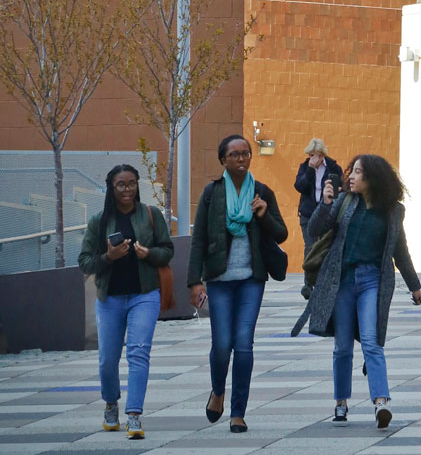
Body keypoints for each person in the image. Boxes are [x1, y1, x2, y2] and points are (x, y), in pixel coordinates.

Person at [291, 154, 421, 429]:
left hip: (372, 281)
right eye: (351, 171)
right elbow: (315, 229)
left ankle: (381, 402)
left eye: (357, 172)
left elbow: (400, 249)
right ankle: (341, 402)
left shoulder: (392, 211)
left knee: (372, 342)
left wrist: (414, 285)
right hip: (343, 281)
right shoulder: (344, 202)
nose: (350, 176)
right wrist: (325, 204)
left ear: (372, 178)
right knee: (342, 347)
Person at [187, 134, 288, 433]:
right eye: (234, 154)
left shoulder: (262, 192)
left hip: (250, 280)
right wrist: (194, 282)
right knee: (222, 345)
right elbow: (198, 241)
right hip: (219, 280)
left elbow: (281, 234)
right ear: (223, 160)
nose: (242, 158)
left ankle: (238, 412)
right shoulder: (211, 194)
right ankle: (218, 390)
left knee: (243, 345)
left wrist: (263, 215)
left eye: (245, 153)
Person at [78, 165, 174, 440]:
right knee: (108, 359)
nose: (127, 189)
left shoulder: (151, 215)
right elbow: (84, 262)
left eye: (132, 183)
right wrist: (109, 256)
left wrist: (149, 254)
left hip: (145, 295)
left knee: (138, 352)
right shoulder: (99, 220)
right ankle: (111, 403)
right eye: (121, 184)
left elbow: (167, 251)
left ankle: (134, 415)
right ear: (111, 187)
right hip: (110, 298)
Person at [294, 139, 343, 297]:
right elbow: (299, 186)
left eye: (315, 155)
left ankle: (324, 281)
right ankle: (308, 284)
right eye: (310, 155)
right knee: (310, 247)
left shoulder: (333, 167)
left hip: (326, 213)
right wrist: (309, 170)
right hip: (308, 214)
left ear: (322, 155)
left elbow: (339, 187)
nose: (312, 158)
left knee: (326, 247)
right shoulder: (305, 167)